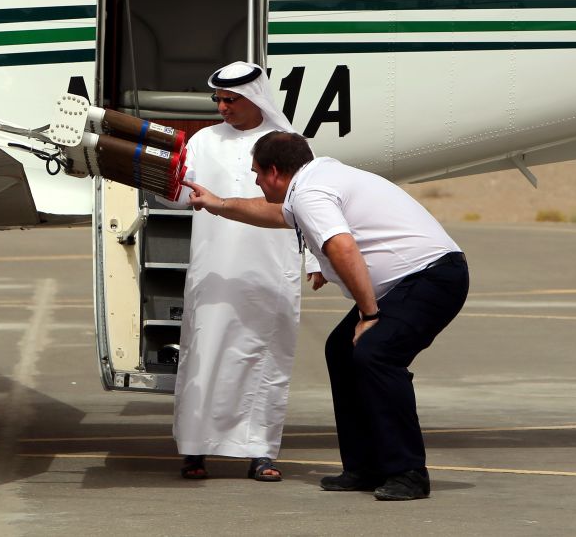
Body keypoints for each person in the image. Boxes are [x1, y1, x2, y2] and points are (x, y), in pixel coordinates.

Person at [183, 131, 469, 501]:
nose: (255, 180)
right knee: (342, 350)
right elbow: (275, 213)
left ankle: (408, 471)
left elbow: (342, 246)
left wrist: (369, 315)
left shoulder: (310, 193)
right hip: (410, 280)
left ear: (273, 172)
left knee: (376, 353)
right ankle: (364, 466)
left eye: (256, 173)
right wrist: (218, 203)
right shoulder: (315, 179)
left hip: (432, 277)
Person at [162, 62, 321, 483]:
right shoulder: (204, 140)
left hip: (271, 269)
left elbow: (313, 204)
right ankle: (195, 449)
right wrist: (151, 176)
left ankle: (261, 452)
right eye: (218, 99)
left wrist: (318, 260)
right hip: (214, 268)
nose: (222, 107)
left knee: (264, 359)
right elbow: (180, 197)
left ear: (255, 98)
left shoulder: (286, 146)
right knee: (206, 354)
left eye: (231, 100)